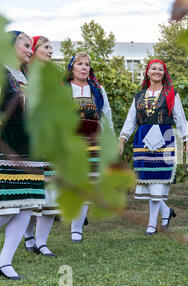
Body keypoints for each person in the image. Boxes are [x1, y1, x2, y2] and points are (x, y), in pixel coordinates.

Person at [0, 31, 46, 280]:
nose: (29, 50)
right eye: (25, 45)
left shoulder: (25, 75)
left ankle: (4, 262)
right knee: (5, 208)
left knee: (26, 206)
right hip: (7, 150)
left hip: (31, 150)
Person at [119, 59, 188, 235]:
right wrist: (122, 139)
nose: (157, 71)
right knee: (148, 180)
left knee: (157, 179)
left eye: (160, 69)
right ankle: (165, 211)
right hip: (142, 140)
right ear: (147, 72)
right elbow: (131, 119)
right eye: (153, 68)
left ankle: (152, 224)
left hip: (164, 139)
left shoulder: (171, 94)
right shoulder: (139, 96)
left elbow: (180, 118)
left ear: (164, 73)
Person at [66, 52, 114, 242]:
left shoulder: (97, 89)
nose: (84, 67)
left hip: (93, 139)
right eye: (80, 64)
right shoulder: (64, 88)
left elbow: (106, 114)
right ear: (72, 67)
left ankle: (76, 228)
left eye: (87, 64)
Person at [22, 35, 57, 257]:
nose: (51, 51)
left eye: (51, 48)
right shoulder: (23, 75)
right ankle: (27, 236)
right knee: (31, 191)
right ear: (34, 51)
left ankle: (41, 242)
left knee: (53, 190)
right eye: (47, 47)